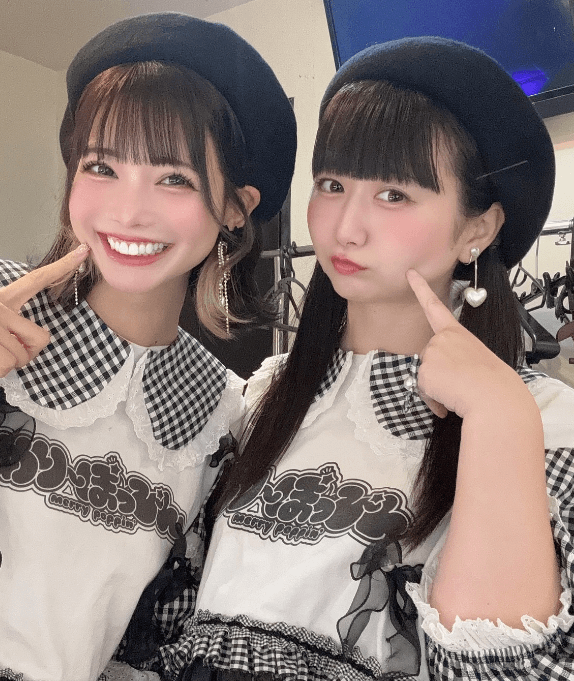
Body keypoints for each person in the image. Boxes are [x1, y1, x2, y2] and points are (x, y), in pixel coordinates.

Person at [0, 12, 296, 681]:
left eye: (174, 178)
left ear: (236, 206)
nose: (128, 210)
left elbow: (152, 640)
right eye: (101, 166)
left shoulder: (219, 412)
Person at [157, 37, 574, 680]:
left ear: (478, 229)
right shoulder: (263, 394)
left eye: (394, 195)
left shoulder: (543, 420)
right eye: (332, 185)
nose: (345, 227)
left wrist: (499, 417)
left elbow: (508, 670)